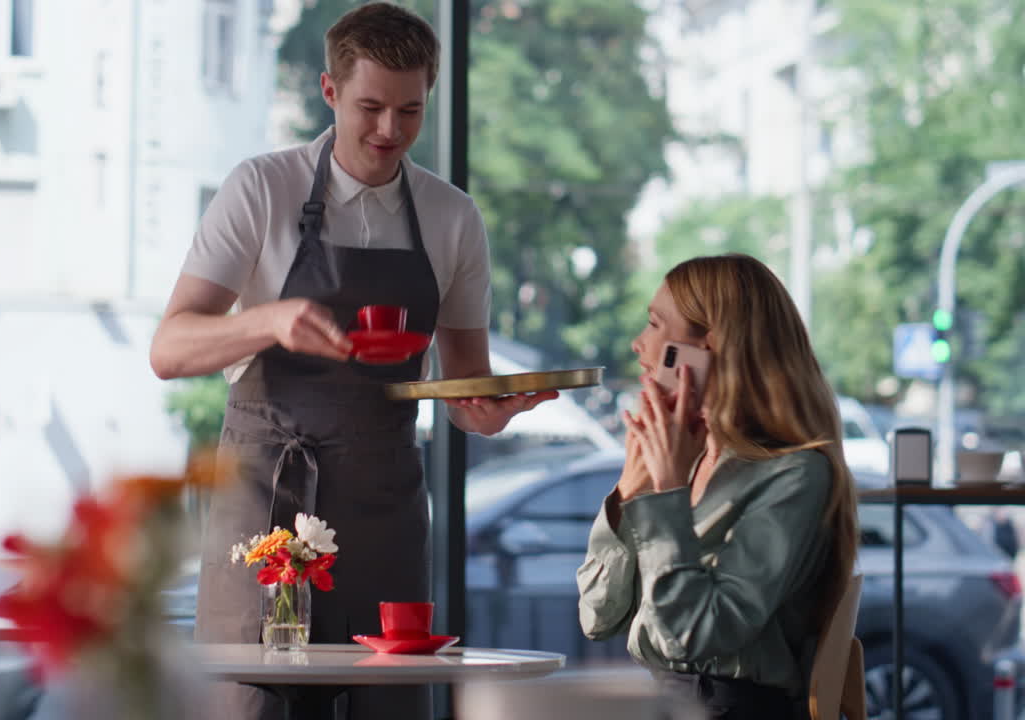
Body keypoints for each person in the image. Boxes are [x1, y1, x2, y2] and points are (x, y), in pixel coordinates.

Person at [149, 4, 554, 719]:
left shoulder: (452, 217)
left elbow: (465, 388)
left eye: (410, 110)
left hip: (383, 501)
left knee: (386, 702)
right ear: (330, 92)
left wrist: (490, 414)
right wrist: (268, 321)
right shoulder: (260, 188)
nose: (389, 131)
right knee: (250, 702)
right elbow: (170, 348)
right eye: (370, 106)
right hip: (263, 498)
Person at [576, 254, 859, 719]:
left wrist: (665, 495)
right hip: (664, 704)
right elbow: (597, 617)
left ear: (709, 348)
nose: (637, 344)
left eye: (653, 325)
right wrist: (632, 489)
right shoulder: (686, 460)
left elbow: (698, 634)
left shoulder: (796, 476)